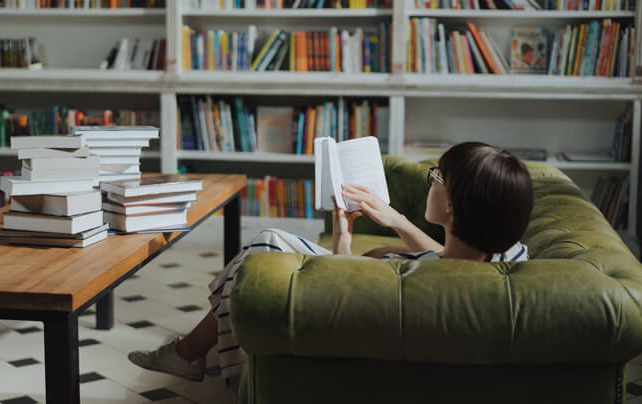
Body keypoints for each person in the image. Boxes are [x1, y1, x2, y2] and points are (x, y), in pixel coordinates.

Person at [127, 141, 534, 394]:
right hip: (366, 282)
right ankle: (190, 352)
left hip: (345, 298)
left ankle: (225, 373)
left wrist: (343, 239)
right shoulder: (511, 255)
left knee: (262, 248)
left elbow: (341, 305)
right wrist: (395, 220)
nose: (430, 181)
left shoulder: (414, 281)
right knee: (267, 243)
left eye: (436, 177)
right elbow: (452, 260)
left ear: (450, 205)